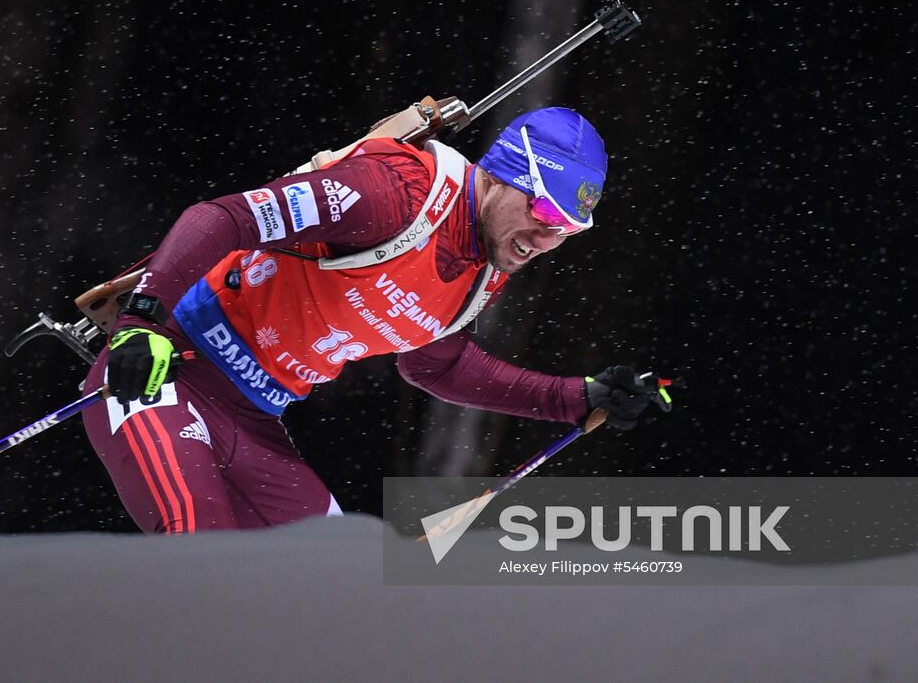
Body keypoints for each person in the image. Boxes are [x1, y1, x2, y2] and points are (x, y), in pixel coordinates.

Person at [81, 106, 669, 533]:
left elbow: (436, 366)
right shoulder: (395, 193)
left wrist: (576, 397)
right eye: (543, 209)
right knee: (197, 550)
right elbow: (225, 218)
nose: (545, 238)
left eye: (567, 229)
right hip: (165, 372)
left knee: (332, 585)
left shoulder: (481, 273)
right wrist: (143, 324)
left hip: (256, 418)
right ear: (499, 174)